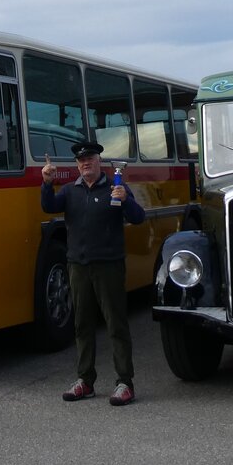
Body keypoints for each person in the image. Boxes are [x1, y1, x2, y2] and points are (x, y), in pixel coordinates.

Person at [41, 141, 145, 406]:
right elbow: (49, 206)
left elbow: (138, 217)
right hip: (78, 266)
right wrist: (46, 182)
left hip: (108, 265)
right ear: (77, 165)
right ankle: (85, 380)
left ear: (99, 161)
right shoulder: (70, 191)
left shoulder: (115, 187)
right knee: (82, 325)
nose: (85, 164)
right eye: (80, 161)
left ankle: (125, 382)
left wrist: (125, 201)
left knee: (115, 324)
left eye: (89, 159)